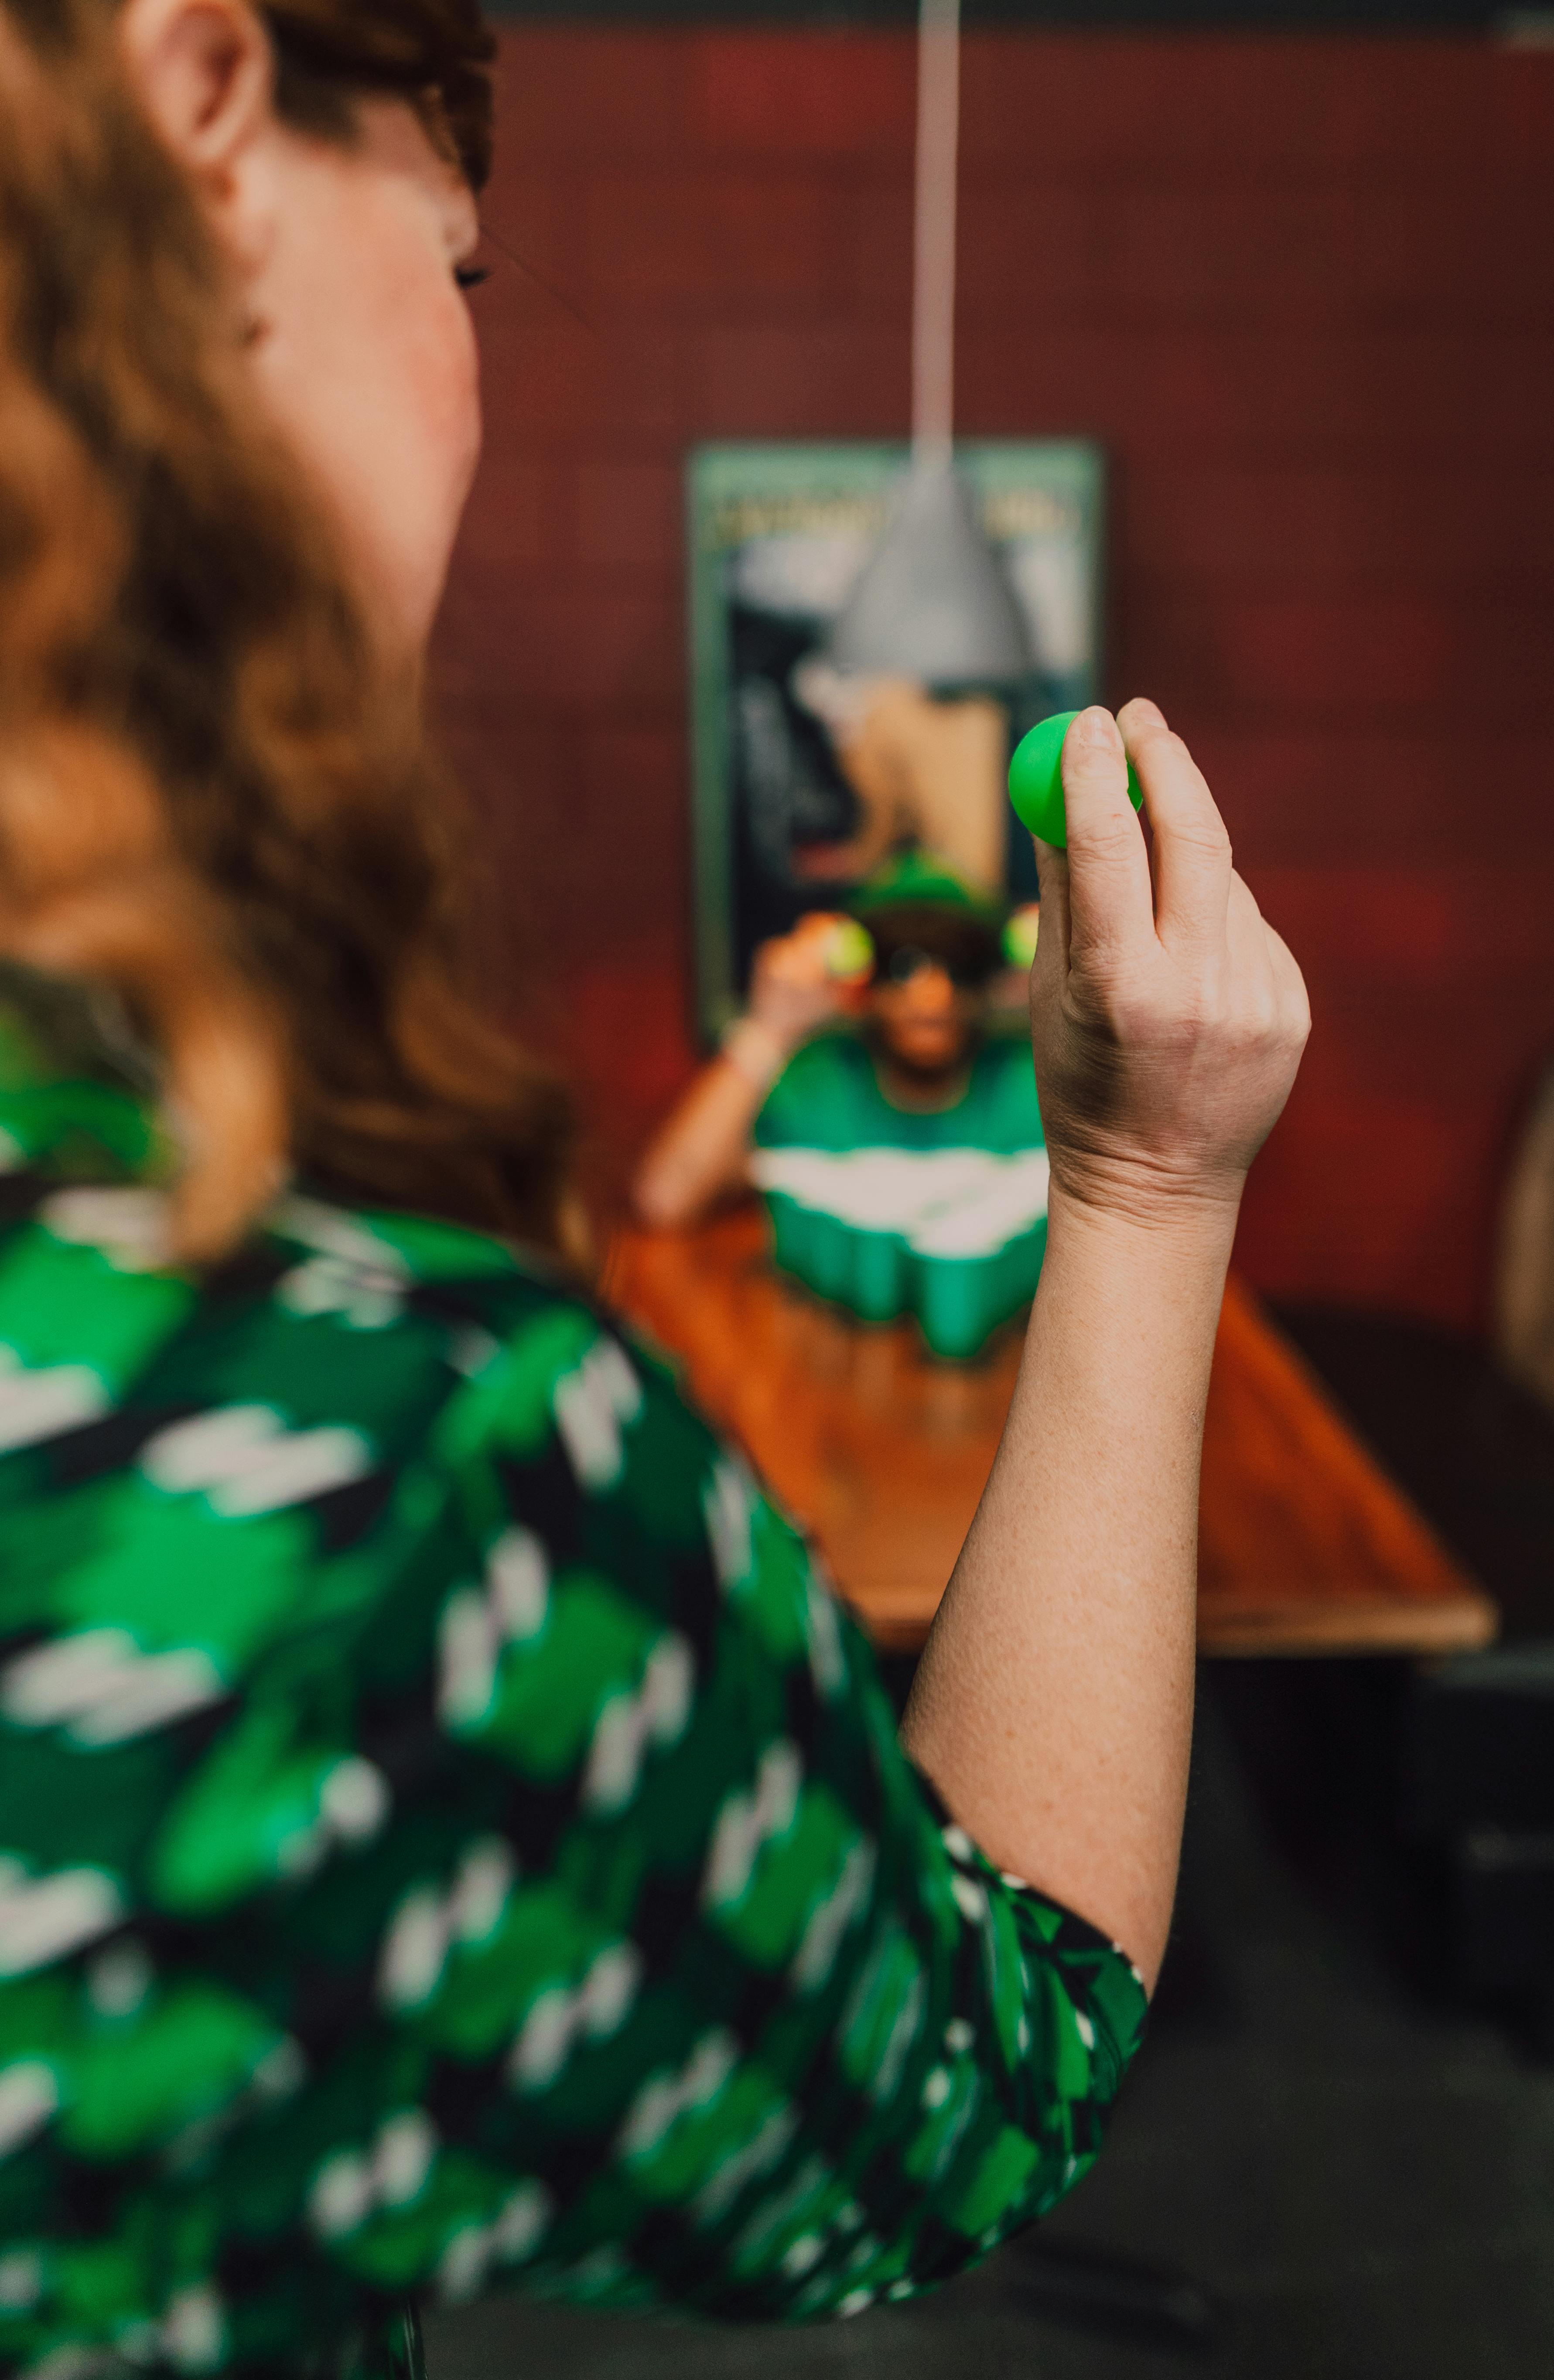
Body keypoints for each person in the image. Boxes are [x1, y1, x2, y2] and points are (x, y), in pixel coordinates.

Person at [0, 6, 1310, 2379]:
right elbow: (971, 2078)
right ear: (203, 111)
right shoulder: (374, 1475)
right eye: (463, 267)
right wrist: (1142, 1181)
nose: (467, 377)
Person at [634, 855, 1051, 1357]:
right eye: (905, 965)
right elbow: (666, 1198)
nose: (932, 993)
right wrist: (770, 1027)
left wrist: (1059, 1002)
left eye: (958, 966)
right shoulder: (816, 1086)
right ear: (864, 982)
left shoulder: (1034, 1086)